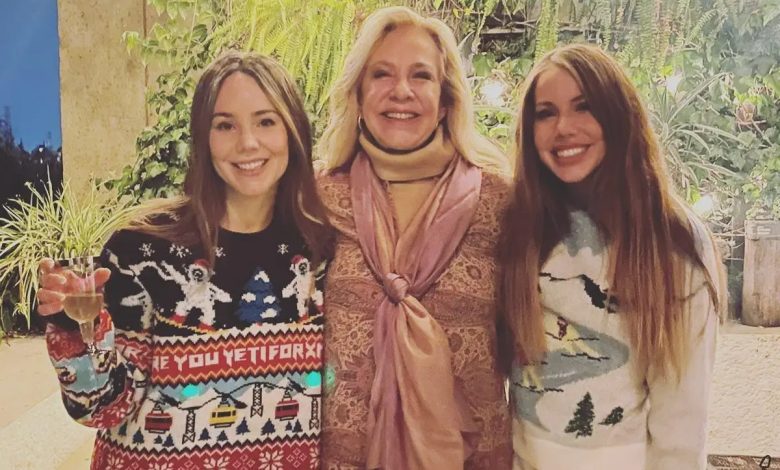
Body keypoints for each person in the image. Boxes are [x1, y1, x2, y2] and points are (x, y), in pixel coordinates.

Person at [36, 51, 333, 469]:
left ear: (293, 131)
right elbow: (101, 408)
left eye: (266, 121)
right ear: (202, 138)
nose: (248, 142)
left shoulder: (323, 249)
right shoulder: (139, 250)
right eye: (225, 125)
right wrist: (74, 323)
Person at [501, 43, 726, 470]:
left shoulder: (673, 240)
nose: (563, 127)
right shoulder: (520, 227)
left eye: (584, 106)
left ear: (619, 115)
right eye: (545, 113)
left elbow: (682, 416)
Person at [316, 6, 512, 469]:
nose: (400, 91)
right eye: (381, 74)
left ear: (445, 99)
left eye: (420, 76)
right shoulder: (319, 196)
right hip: (346, 456)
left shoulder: (500, 200)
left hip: (471, 456)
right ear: (358, 94)